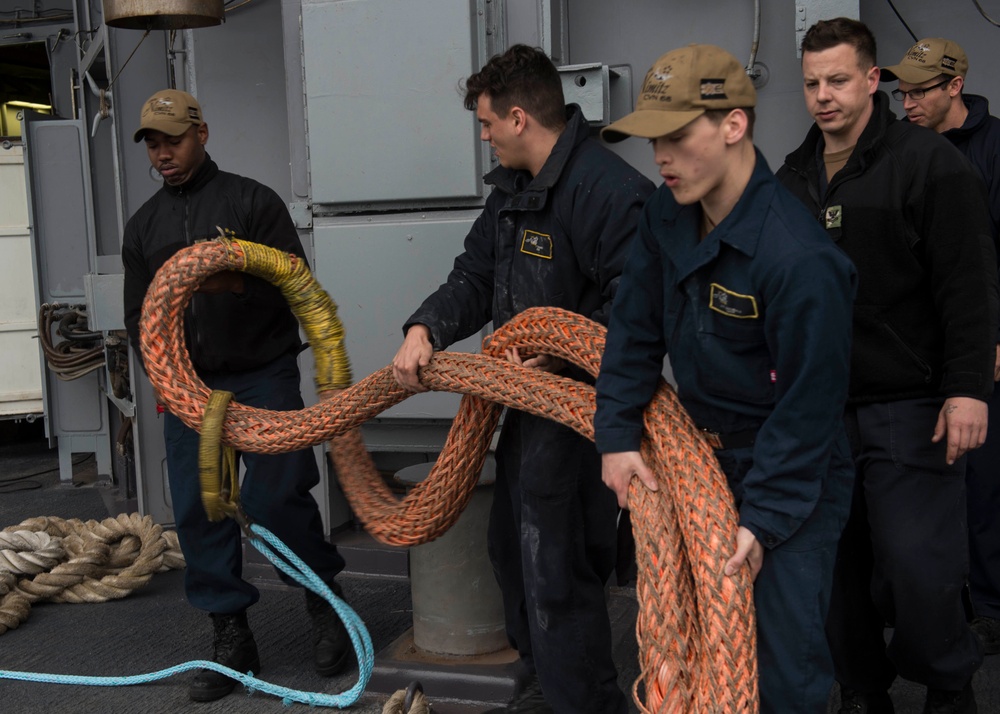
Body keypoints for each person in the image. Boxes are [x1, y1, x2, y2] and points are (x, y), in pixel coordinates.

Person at [594, 43, 857, 714]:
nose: (661, 158)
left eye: (678, 138)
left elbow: (808, 408)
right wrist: (617, 433)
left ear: (734, 125)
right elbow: (633, 327)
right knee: (686, 645)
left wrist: (763, 520)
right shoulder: (666, 213)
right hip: (699, 458)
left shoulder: (797, 259)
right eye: (654, 141)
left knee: (779, 662)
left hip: (788, 468)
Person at [391, 45, 654, 714]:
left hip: (583, 416)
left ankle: (584, 703)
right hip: (525, 411)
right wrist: (425, 329)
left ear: (516, 118)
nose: (482, 137)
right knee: (512, 552)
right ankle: (545, 682)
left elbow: (641, 305)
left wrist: (562, 356)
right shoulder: (512, 190)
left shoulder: (608, 192)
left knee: (555, 567)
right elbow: (474, 276)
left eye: (485, 125)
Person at [777, 18, 998, 714]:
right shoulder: (792, 177)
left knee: (917, 567)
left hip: (910, 404)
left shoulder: (929, 163)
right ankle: (864, 692)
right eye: (812, 83)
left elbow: (968, 285)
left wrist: (967, 389)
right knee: (836, 572)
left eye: (838, 80)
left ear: (874, 80)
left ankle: (948, 686)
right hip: (822, 410)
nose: (823, 96)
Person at [121, 89, 352, 702]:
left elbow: (294, 285)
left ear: (202, 132)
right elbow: (139, 318)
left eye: (172, 139)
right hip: (189, 385)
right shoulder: (144, 226)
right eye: (151, 143)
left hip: (261, 375)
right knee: (200, 508)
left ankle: (324, 603)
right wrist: (162, 381)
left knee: (275, 496)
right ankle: (230, 633)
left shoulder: (253, 201)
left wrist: (228, 281)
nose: (161, 152)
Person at [882, 37, 1000, 656]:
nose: (908, 102)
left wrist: (992, 342)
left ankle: (992, 607)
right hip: (923, 353)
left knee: (983, 482)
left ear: (955, 86)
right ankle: (942, 607)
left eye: (919, 91)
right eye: (901, 92)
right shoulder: (906, 152)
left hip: (981, 348)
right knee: (930, 487)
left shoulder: (994, 149)